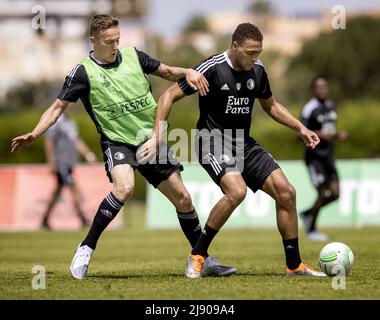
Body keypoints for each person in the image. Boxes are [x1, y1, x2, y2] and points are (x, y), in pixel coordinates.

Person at [11, 14, 236, 279]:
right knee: (124, 187)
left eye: (117, 39)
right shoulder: (82, 72)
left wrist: (187, 71)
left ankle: (202, 258)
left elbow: (166, 71)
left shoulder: (134, 56)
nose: (115, 45)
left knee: (184, 199)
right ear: (93, 41)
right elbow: (58, 107)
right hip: (117, 141)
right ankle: (86, 247)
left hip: (150, 139)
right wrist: (35, 133)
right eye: (109, 41)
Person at [138, 22, 327, 278]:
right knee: (237, 191)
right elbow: (168, 96)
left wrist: (300, 128)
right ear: (234, 46)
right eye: (250, 53)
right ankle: (197, 256)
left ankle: (294, 265)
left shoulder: (258, 71)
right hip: (211, 140)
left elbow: (270, 106)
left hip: (243, 142)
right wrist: (158, 134)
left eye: (258, 52)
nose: (255, 58)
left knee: (286, 192)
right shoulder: (211, 68)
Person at [299, 76, 348, 241]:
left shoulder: (331, 106)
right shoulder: (309, 108)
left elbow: (330, 130)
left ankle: (307, 213)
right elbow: (300, 132)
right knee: (321, 192)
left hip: (329, 158)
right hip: (314, 158)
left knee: (335, 193)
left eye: (324, 87)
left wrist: (337, 135)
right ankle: (311, 229)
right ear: (314, 90)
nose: (322, 90)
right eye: (319, 87)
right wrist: (321, 135)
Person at [42, 110, 97, 229]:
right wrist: (51, 162)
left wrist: (88, 154)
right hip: (61, 163)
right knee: (74, 187)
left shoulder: (71, 123)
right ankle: (83, 219)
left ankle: (45, 219)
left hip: (70, 163)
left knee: (58, 191)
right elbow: (49, 142)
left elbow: (76, 141)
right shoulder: (56, 122)